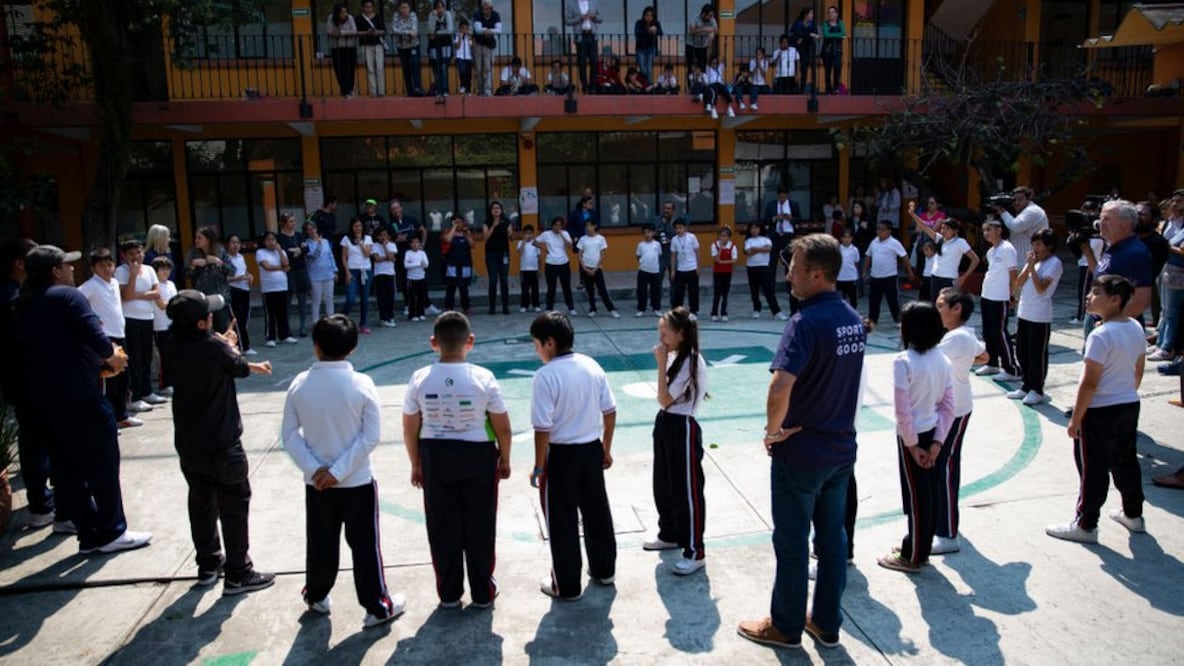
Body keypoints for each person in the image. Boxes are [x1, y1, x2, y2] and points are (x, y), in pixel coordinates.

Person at [737, 234, 866, 650]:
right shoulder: (850, 316)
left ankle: (786, 625)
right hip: (841, 448)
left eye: (793, 266)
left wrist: (773, 432)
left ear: (815, 274)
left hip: (803, 453)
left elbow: (780, 386)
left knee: (792, 544)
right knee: (832, 542)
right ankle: (827, 622)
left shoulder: (805, 321)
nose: (787, 273)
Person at [15, 245, 150, 554]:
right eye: (66, 265)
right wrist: (112, 357)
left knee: (66, 469)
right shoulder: (67, 296)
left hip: (44, 400)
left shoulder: (23, 303)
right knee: (101, 465)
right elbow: (96, 337)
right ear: (54, 271)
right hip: (82, 396)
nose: (72, 269)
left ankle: (88, 534)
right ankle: (113, 530)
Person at [282, 314, 406, 627]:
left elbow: (288, 436)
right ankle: (376, 606)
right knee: (364, 544)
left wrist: (317, 470)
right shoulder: (361, 384)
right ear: (352, 348)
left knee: (321, 541)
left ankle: (317, 595)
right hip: (357, 481)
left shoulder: (300, 385)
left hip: (318, 485)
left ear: (316, 346)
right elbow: (370, 436)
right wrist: (339, 471)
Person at [166, 289, 275, 593]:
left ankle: (208, 564)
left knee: (200, 503)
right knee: (234, 506)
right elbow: (238, 367)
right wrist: (228, 344)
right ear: (202, 323)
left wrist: (222, 343)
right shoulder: (214, 346)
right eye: (208, 314)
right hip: (223, 442)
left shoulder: (171, 343)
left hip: (189, 442)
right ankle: (239, 572)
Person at [402, 311, 512, 608]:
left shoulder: (419, 378)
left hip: (435, 455)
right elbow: (503, 426)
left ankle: (449, 593)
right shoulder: (483, 377)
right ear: (470, 342)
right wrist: (505, 459)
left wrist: (416, 463)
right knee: (480, 524)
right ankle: (482, 591)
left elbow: (410, 426)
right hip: (478, 456)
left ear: (433, 342)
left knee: (442, 526)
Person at [1047, 276, 1147, 543]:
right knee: (1125, 461)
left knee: (1093, 469)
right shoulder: (1136, 328)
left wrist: (1076, 419)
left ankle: (1086, 524)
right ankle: (1134, 514)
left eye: (1096, 293)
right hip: (1127, 405)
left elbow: (1089, 383)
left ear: (1115, 299)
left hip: (1100, 410)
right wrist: (1125, 392)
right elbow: (1138, 370)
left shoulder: (1100, 335)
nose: (1089, 297)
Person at [528, 311, 618, 600]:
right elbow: (610, 410)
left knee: (562, 520)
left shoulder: (545, 376)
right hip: (591, 449)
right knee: (596, 511)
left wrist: (539, 465)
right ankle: (605, 570)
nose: (536, 350)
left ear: (550, 343)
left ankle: (566, 584)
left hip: (562, 455)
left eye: (537, 344)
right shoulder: (591, 365)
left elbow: (542, 429)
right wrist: (606, 447)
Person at [877, 301, 955, 574]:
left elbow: (903, 410)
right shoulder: (942, 359)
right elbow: (948, 406)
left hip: (913, 437)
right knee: (928, 493)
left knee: (916, 498)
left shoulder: (904, 362)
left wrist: (912, 446)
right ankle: (916, 544)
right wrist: (937, 443)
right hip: (933, 432)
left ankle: (914, 555)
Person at [1, 238, 64, 529]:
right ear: (20, 263)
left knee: (38, 441)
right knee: (36, 442)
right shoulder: (12, 298)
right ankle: (41, 504)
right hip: (26, 383)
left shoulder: (20, 295)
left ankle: (43, 498)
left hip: (29, 381)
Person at [645, 307, 709, 575]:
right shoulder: (675, 357)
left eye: (665, 333)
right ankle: (669, 533)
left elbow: (664, 398)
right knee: (664, 483)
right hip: (666, 423)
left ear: (680, 334)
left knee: (687, 491)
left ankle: (695, 551)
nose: (660, 338)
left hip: (682, 426)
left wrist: (660, 364)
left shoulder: (691, 360)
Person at [932, 288, 988, 554]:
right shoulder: (965, 336)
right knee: (942, 466)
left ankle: (948, 532)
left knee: (946, 467)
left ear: (957, 309)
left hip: (953, 410)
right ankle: (943, 519)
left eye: (941, 305)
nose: (937, 310)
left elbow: (927, 364)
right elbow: (984, 356)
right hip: (954, 407)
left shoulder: (954, 339)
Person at [79, 248, 137, 428]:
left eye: (110, 264)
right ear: (93, 268)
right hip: (105, 337)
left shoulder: (113, 282)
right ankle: (109, 420)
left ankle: (122, 416)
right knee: (108, 380)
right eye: (102, 265)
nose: (107, 269)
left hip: (120, 332)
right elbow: (78, 301)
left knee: (123, 378)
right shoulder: (90, 286)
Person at [1009, 228, 1062, 406]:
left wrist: (1032, 267)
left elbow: (1041, 289)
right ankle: (1026, 385)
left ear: (1049, 246)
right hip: (1024, 312)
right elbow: (1018, 283)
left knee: (1036, 354)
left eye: (1039, 244)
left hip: (1040, 316)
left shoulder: (1054, 264)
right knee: (1022, 351)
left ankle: (1037, 389)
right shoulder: (1034, 261)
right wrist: (1029, 265)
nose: (1035, 247)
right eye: (1034, 244)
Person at [115, 239, 165, 412]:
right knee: (135, 358)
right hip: (130, 318)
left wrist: (138, 294)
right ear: (124, 256)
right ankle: (134, 396)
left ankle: (146, 391)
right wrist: (133, 275)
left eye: (139, 252)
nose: (136, 256)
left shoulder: (150, 269)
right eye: (131, 254)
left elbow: (157, 293)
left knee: (146, 356)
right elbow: (126, 295)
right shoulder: (121, 272)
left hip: (147, 316)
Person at [976, 219, 1021, 380]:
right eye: (984, 230)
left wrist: (1012, 294)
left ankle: (1011, 369)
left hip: (1000, 297)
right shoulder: (991, 251)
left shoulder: (1007, 249)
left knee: (1000, 332)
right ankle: (992, 363)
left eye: (989, 229)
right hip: (987, 295)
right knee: (988, 331)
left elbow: (1013, 275)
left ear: (999, 230)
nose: (986, 233)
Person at [911, 209, 980, 301]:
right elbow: (925, 227)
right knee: (935, 304)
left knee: (948, 304)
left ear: (955, 231)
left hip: (949, 279)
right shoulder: (939, 239)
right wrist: (912, 214)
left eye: (947, 229)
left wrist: (964, 277)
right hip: (935, 276)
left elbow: (975, 260)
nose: (943, 231)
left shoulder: (960, 242)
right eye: (942, 228)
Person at [863, 221, 915, 326]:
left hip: (889, 277)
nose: (879, 231)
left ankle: (898, 320)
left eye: (882, 229)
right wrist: (864, 271)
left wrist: (909, 271)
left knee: (893, 300)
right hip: (875, 276)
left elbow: (904, 257)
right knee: (873, 300)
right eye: (878, 229)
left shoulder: (894, 242)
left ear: (889, 231)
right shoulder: (874, 242)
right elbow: (868, 256)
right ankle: (873, 320)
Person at [186, 227, 234, 333]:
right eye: (196, 238)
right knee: (203, 330)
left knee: (222, 329)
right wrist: (193, 266)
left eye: (200, 238)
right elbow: (185, 275)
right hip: (202, 298)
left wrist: (219, 262)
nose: (196, 240)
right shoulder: (193, 253)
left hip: (220, 297)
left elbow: (232, 271)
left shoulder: (220, 251)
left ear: (208, 239)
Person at [994, 186, 1049, 264]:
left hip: (1030, 263)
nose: (1016, 202)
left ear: (1028, 198)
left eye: (1020, 199)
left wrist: (1002, 212)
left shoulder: (1033, 211)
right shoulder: (1020, 212)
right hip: (1022, 262)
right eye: (1014, 200)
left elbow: (1016, 226)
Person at [576, 221, 619, 318]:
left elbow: (602, 255)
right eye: (586, 226)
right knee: (590, 290)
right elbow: (579, 255)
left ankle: (611, 309)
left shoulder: (600, 239)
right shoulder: (583, 239)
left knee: (602, 290)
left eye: (590, 225)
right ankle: (592, 308)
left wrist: (596, 268)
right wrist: (584, 268)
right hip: (586, 268)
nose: (588, 228)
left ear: (595, 226)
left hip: (597, 268)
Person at [278, 212, 311, 337]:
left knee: (302, 299)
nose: (293, 223)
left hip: (301, 269)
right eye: (290, 221)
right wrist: (296, 251)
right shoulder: (280, 237)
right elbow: (283, 251)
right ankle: (287, 328)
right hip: (289, 270)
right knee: (288, 300)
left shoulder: (299, 235)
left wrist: (298, 250)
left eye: (294, 221)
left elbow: (306, 249)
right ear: (284, 223)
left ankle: (303, 327)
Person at [535, 216, 577, 314]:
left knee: (566, 286)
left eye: (559, 225)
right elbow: (535, 242)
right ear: (552, 225)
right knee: (551, 287)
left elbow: (571, 246)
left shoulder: (565, 233)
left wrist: (562, 235)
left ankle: (571, 307)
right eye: (555, 225)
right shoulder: (546, 234)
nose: (557, 227)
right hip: (550, 263)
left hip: (564, 263)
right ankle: (549, 307)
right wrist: (544, 249)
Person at [745, 221, 785, 320]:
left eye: (756, 228)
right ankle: (756, 309)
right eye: (752, 228)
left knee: (768, 290)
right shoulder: (748, 240)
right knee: (754, 290)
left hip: (764, 267)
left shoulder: (766, 239)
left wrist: (755, 249)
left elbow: (768, 249)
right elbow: (748, 252)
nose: (754, 230)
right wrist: (759, 249)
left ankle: (776, 311)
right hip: (751, 267)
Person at [340, 219, 374, 333]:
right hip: (352, 270)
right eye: (355, 226)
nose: (358, 228)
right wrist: (347, 272)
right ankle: (341, 320)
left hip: (365, 270)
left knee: (365, 298)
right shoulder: (346, 239)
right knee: (350, 297)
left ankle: (363, 324)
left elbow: (367, 254)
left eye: (360, 226)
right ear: (352, 227)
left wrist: (360, 242)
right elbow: (344, 257)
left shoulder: (368, 238)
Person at [151, 257, 178, 396]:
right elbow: (161, 305)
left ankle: (174, 380)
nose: (165, 271)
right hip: (160, 325)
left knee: (174, 354)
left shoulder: (171, 284)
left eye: (167, 268)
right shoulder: (154, 286)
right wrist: (176, 303)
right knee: (164, 356)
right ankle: (165, 383)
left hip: (172, 324)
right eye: (162, 269)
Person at [225, 235, 256, 355]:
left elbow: (244, 271)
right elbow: (225, 279)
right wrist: (238, 278)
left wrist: (249, 276)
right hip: (233, 290)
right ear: (228, 245)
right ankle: (242, 346)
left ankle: (244, 345)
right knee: (236, 319)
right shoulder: (226, 259)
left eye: (238, 242)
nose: (235, 245)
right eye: (233, 242)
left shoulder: (241, 257)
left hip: (244, 289)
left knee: (244, 318)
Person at [303, 221, 337, 324]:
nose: (312, 231)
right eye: (309, 229)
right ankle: (315, 322)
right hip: (315, 275)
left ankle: (331, 320)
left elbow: (331, 256)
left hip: (328, 274)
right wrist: (319, 244)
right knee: (316, 299)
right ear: (306, 232)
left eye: (313, 228)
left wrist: (335, 270)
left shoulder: (325, 241)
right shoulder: (306, 244)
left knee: (329, 298)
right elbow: (313, 256)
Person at [483, 201, 513, 314]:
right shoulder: (487, 222)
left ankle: (505, 307)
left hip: (504, 253)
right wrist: (494, 226)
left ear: (501, 210)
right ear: (490, 211)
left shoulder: (506, 221)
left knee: (504, 280)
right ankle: (492, 307)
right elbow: (485, 239)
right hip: (491, 253)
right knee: (493, 280)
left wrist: (510, 234)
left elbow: (510, 236)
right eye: (494, 208)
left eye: (498, 208)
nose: (496, 210)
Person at [566, 0, 602, 93]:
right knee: (582, 63)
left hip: (592, 35)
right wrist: (580, 18)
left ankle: (592, 87)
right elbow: (567, 20)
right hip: (581, 36)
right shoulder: (571, 3)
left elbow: (600, 18)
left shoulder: (594, 2)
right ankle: (585, 87)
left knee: (594, 62)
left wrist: (593, 17)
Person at [441, 214, 474, 313]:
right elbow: (447, 240)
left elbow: (472, 244)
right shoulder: (447, 232)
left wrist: (467, 234)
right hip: (451, 263)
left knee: (464, 286)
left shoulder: (466, 233)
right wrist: (454, 228)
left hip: (465, 263)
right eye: (456, 222)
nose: (459, 224)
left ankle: (466, 307)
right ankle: (449, 307)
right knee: (451, 286)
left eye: (460, 222)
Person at [669, 219, 701, 319]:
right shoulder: (674, 239)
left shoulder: (692, 237)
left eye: (680, 227)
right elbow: (673, 255)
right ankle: (678, 312)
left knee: (693, 291)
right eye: (676, 228)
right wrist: (673, 270)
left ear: (685, 227)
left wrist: (698, 267)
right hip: (680, 269)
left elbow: (697, 252)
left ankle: (694, 311)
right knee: (678, 292)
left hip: (692, 268)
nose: (678, 230)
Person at [391, 1, 423, 96]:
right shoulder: (396, 16)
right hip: (402, 47)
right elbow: (394, 30)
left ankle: (417, 88)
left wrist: (403, 32)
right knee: (406, 68)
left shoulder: (413, 15)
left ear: (409, 9)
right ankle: (409, 90)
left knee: (415, 65)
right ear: (399, 9)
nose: (404, 10)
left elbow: (414, 30)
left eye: (406, 7)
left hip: (413, 45)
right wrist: (407, 32)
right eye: (402, 7)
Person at [327, 3, 358, 98]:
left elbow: (354, 31)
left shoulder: (350, 18)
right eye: (342, 12)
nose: (344, 14)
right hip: (337, 47)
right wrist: (338, 33)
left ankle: (350, 89)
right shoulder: (331, 18)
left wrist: (342, 32)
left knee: (349, 68)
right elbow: (329, 31)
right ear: (337, 13)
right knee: (339, 69)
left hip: (349, 47)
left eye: (345, 12)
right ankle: (344, 90)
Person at [356, 0, 386, 97]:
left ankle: (381, 91)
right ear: (363, 8)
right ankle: (373, 92)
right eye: (366, 7)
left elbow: (384, 31)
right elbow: (356, 32)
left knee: (380, 67)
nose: (368, 9)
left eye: (370, 7)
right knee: (370, 68)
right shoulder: (359, 18)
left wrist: (376, 32)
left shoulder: (378, 17)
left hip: (378, 44)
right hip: (366, 45)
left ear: (373, 7)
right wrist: (366, 33)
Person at [471, 1, 501, 97]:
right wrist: (487, 30)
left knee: (488, 68)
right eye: (483, 9)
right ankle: (480, 90)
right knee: (479, 69)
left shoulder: (496, 15)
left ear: (491, 8)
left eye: (487, 9)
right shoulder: (477, 15)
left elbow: (499, 30)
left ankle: (488, 90)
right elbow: (477, 30)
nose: (485, 11)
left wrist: (489, 31)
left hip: (489, 45)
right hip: (478, 44)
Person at [764, 188, 796, 276]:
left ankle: (789, 285)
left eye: (784, 197)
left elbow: (799, 219)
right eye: (780, 197)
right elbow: (765, 220)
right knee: (772, 261)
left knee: (788, 260)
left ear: (787, 196)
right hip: (775, 234)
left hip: (788, 234)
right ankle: (770, 287)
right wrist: (774, 218)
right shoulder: (771, 205)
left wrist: (790, 218)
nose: (782, 199)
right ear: (777, 196)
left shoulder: (793, 205)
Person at [371, 227, 398, 327]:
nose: (383, 237)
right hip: (379, 273)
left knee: (391, 296)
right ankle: (383, 318)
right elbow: (376, 259)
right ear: (377, 236)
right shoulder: (374, 245)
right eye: (381, 235)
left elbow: (392, 257)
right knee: (382, 296)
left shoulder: (392, 245)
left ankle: (390, 316)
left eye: (385, 235)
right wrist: (387, 258)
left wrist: (385, 247)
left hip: (390, 273)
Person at [427, 0, 454, 100]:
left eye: (441, 7)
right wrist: (434, 17)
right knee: (435, 67)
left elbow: (450, 30)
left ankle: (445, 90)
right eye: (437, 7)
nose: (440, 9)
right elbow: (430, 30)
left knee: (443, 66)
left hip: (446, 44)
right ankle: (438, 90)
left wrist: (438, 33)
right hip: (434, 45)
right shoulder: (432, 15)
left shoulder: (447, 14)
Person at [791, 8, 820, 93]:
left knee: (804, 69)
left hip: (807, 49)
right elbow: (797, 33)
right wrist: (809, 34)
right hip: (797, 48)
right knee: (795, 68)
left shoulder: (812, 24)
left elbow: (816, 34)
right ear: (806, 15)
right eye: (811, 14)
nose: (812, 16)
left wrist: (804, 36)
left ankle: (802, 88)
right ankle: (794, 88)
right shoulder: (798, 23)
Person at [636, 225, 662, 317]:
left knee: (655, 291)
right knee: (642, 290)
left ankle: (656, 308)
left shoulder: (657, 244)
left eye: (649, 232)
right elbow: (638, 257)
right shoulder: (641, 245)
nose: (647, 234)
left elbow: (659, 255)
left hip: (655, 271)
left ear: (653, 233)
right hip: (643, 270)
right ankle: (641, 309)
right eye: (645, 232)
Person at [710, 226, 735, 321]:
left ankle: (724, 313)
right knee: (717, 293)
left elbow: (734, 259)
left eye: (725, 236)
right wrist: (720, 248)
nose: (723, 238)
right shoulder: (714, 245)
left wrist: (723, 262)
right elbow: (716, 259)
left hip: (727, 272)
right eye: (721, 236)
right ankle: (714, 313)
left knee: (725, 293)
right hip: (717, 272)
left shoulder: (732, 246)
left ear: (729, 237)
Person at [820, 6, 845, 94]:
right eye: (829, 12)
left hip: (837, 49)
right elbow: (826, 35)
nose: (830, 14)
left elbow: (844, 33)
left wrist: (833, 35)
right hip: (827, 50)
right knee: (828, 70)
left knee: (837, 66)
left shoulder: (840, 23)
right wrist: (838, 35)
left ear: (836, 14)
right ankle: (828, 89)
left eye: (832, 12)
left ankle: (836, 87)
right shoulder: (826, 24)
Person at [404, 235, 430, 321]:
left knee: (421, 296)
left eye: (417, 242)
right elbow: (406, 265)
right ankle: (412, 315)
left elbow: (426, 264)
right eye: (413, 242)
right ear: (410, 244)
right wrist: (418, 264)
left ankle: (421, 313)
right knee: (412, 297)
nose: (415, 244)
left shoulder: (422, 253)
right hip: (411, 279)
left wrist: (416, 264)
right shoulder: (408, 253)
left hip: (421, 278)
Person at [686, 4, 717, 74]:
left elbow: (716, 30)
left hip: (703, 46)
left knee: (702, 68)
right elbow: (691, 31)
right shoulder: (694, 18)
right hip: (691, 45)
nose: (710, 17)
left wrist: (711, 33)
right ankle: (691, 84)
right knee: (691, 68)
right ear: (703, 14)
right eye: (709, 15)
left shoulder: (712, 19)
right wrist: (705, 29)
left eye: (712, 15)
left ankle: (701, 84)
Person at [634, 6, 662, 84]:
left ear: (653, 16)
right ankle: (647, 86)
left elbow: (661, 33)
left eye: (651, 15)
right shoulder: (639, 23)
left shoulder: (656, 23)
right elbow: (637, 32)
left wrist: (656, 30)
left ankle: (649, 87)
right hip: (640, 48)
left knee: (649, 70)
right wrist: (648, 30)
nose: (649, 17)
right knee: (642, 69)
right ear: (644, 15)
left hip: (651, 48)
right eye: (647, 15)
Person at [517, 224, 541, 312]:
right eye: (526, 233)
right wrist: (523, 242)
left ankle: (536, 305)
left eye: (530, 233)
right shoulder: (520, 243)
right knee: (525, 289)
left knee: (535, 288)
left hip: (534, 269)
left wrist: (539, 270)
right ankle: (524, 305)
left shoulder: (536, 243)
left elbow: (539, 257)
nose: (528, 235)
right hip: (524, 269)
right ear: (523, 234)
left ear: (533, 234)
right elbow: (520, 253)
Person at [836, 229, 860, 308]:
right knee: (839, 301)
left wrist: (853, 273)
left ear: (852, 238)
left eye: (849, 237)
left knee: (853, 301)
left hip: (851, 278)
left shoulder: (855, 250)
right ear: (841, 238)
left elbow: (856, 263)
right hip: (840, 278)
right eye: (844, 237)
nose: (846, 239)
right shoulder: (837, 249)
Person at [454, 19, 474, 95]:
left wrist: (469, 37)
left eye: (466, 29)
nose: (464, 30)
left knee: (468, 74)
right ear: (460, 28)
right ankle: (463, 85)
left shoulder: (469, 37)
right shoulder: (457, 35)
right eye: (462, 28)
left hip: (468, 57)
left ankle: (468, 89)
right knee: (462, 71)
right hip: (460, 56)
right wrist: (460, 37)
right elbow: (457, 46)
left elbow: (471, 46)